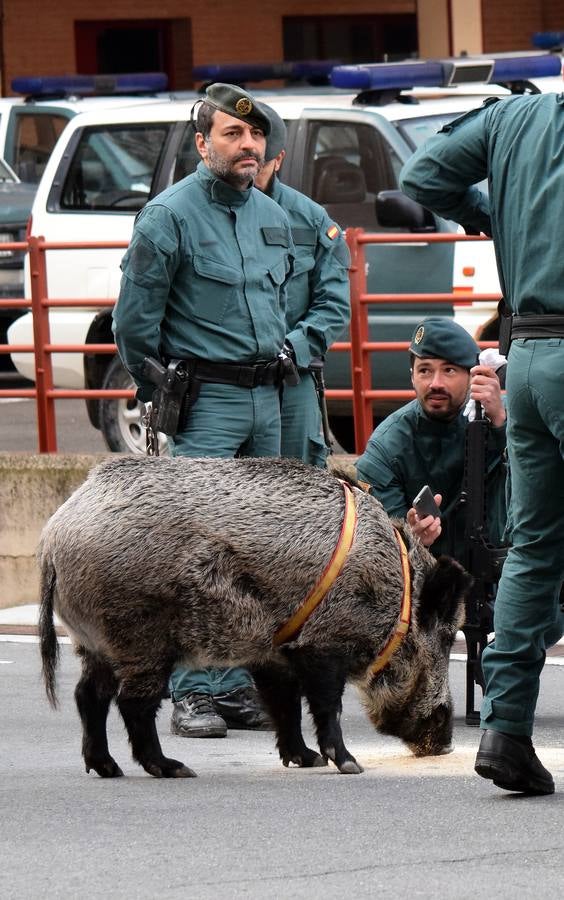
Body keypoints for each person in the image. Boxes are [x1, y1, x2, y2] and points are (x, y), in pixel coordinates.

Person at [113, 82, 295, 739]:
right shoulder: (168, 216)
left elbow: (281, 310)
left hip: (266, 399)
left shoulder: (266, 215)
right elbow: (134, 323)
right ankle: (192, 692)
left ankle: (232, 683)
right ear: (202, 143)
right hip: (207, 401)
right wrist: (160, 387)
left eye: (255, 136)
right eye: (232, 135)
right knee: (204, 554)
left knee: (254, 554)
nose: (249, 145)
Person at [399, 90, 564, 796]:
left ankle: (505, 730)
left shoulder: (511, 117)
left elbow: (421, 179)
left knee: (534, 547)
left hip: (524, 356)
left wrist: (498, 217)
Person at [356, 316, 507, 561]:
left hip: (502, 566)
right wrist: (410, 539)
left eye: (449, 370)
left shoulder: (498, 417)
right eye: (425, 370)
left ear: (472, 376)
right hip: (430, 577)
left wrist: (500, 424)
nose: (435, 383)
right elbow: (382, 545)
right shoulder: (386, 447)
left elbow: (534, 488)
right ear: (412, 376)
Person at [253, 102, 351, 465]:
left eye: (260, 163)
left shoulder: (310, 220)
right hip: (224, 380)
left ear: (277, 159)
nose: (250, 170)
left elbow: (334, 303)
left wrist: (294, 348)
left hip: (292, 376)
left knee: (303, 488)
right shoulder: (201, 215)